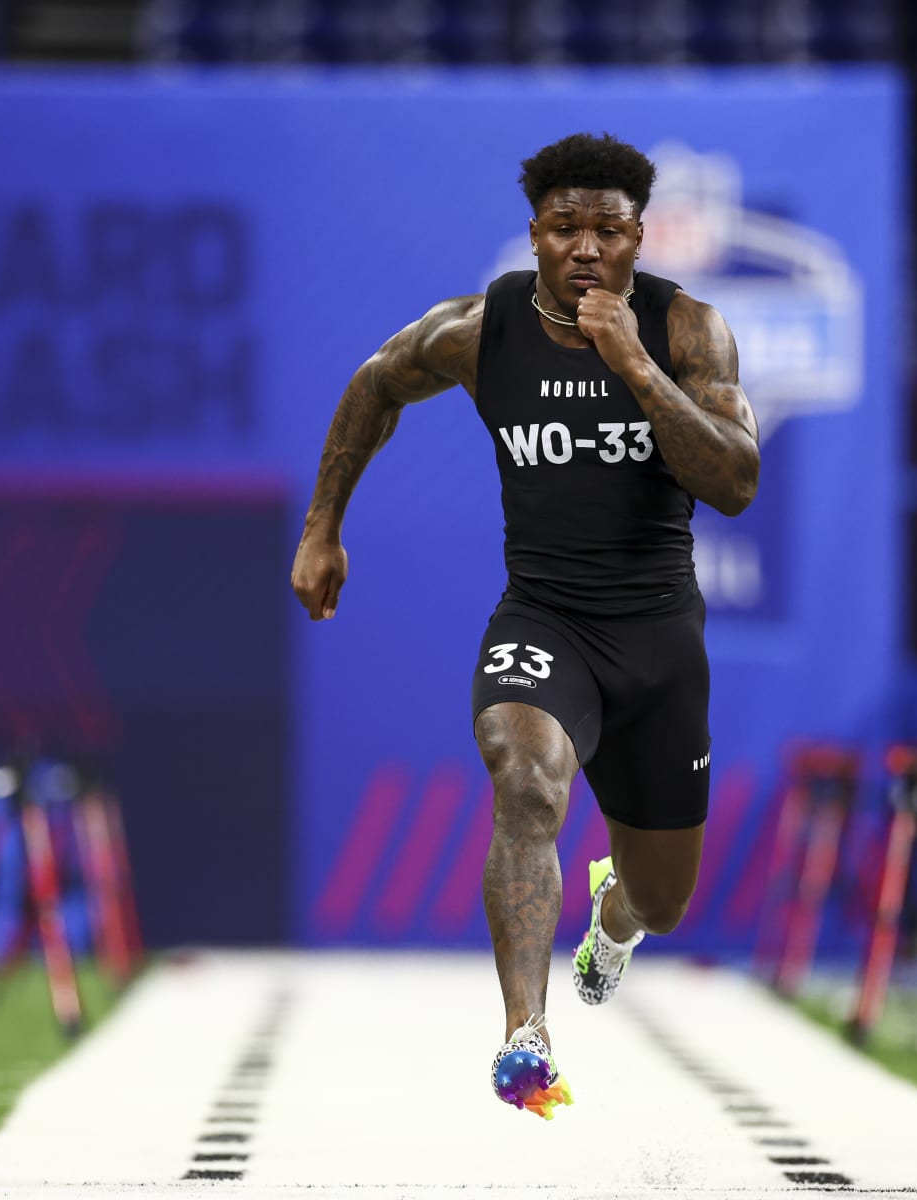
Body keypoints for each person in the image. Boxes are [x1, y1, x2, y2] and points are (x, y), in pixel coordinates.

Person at [290, 132, 760, 1117]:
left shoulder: (688, 332)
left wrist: (635, 366)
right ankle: (525, 1035)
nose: (585, 248)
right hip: (544, 617)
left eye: (608, 230)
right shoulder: (478, 330)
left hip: (657, 643)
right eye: (564, 228)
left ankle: (613, 920)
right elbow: (377, 383)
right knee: (523, 774)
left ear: (639, 237)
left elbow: (735, 485)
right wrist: (323, 525)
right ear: (535, 236)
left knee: (662, 899)